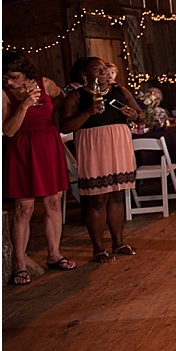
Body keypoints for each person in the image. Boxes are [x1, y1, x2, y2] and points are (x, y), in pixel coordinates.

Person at [60, 57, 142, 263]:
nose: (103, 72)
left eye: (105, 68)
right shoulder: (76, 96)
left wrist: (134, 115)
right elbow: (65, 127)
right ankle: (98, 248)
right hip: (93, 145)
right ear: (85, 75)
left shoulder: (121, 91)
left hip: (118, 143)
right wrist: (88, 111)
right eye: (97, 70)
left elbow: (141, 115)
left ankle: (119, 242)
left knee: (116, 195)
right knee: (97, 198)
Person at [3, 52, 75, 284]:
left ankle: (54, 254)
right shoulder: (2, 94)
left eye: (14, 77)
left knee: (53, 202)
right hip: (22, 148)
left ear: (26, 72)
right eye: (5, 77)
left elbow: (62, 97)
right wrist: (23, 105)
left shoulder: (45, 84)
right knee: (24, 208)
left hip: (47, 142)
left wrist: (48, 116)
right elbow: (8, 131)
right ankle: (20, 264)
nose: (9, 81)